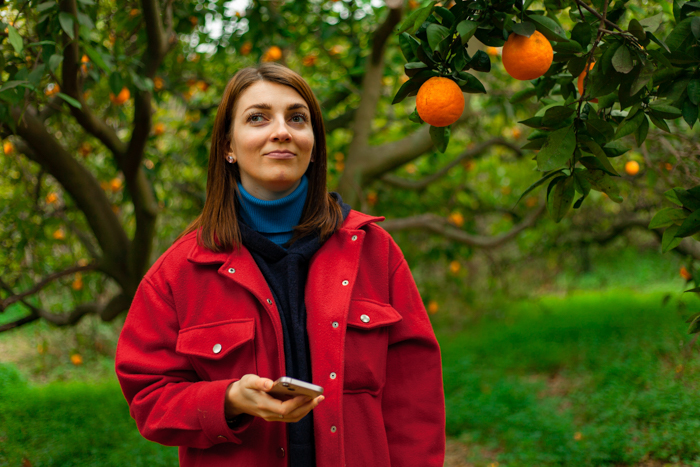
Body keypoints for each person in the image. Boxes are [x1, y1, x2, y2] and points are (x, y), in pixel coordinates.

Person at [115, 63, 445, 467]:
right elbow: (148, 397)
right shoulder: (180, 272)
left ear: (313, 143)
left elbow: (415, 400)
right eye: (258, 117)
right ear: (228, 146)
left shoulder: (374, 252)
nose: (282, 131)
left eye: (297, 118)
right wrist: (228, 400)